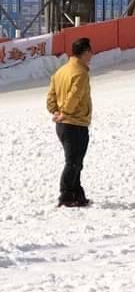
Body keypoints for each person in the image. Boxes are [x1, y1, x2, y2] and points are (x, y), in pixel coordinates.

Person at [46, 37, 94, 207]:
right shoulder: (80, 73)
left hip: (63, 123)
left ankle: (76, 193)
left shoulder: (61, 71)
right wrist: (65, 112)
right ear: (85, 52)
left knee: (76, 161)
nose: (92, 54)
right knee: (73, 161)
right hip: (75, 122)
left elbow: (51, 94)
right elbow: (75, 96)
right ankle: (66, 194)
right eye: (90, 51)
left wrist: (55, 110)